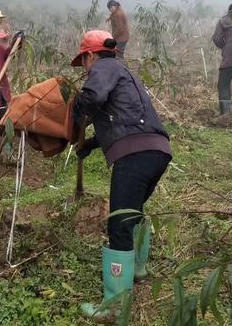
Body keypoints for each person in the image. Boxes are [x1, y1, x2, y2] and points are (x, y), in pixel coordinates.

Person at [71, 30, 171, 321]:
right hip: (158, 151)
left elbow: (92, 96)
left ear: (90, 55)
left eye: (84, 62)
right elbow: (123, 117)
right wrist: (90, 144)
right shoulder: (124, 72)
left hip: (135, 155)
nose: (85, 69)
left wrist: (75, 113)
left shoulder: (104, 67)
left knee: (118, 224)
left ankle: (115, 308)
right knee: (133, 213)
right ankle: (138, 270)